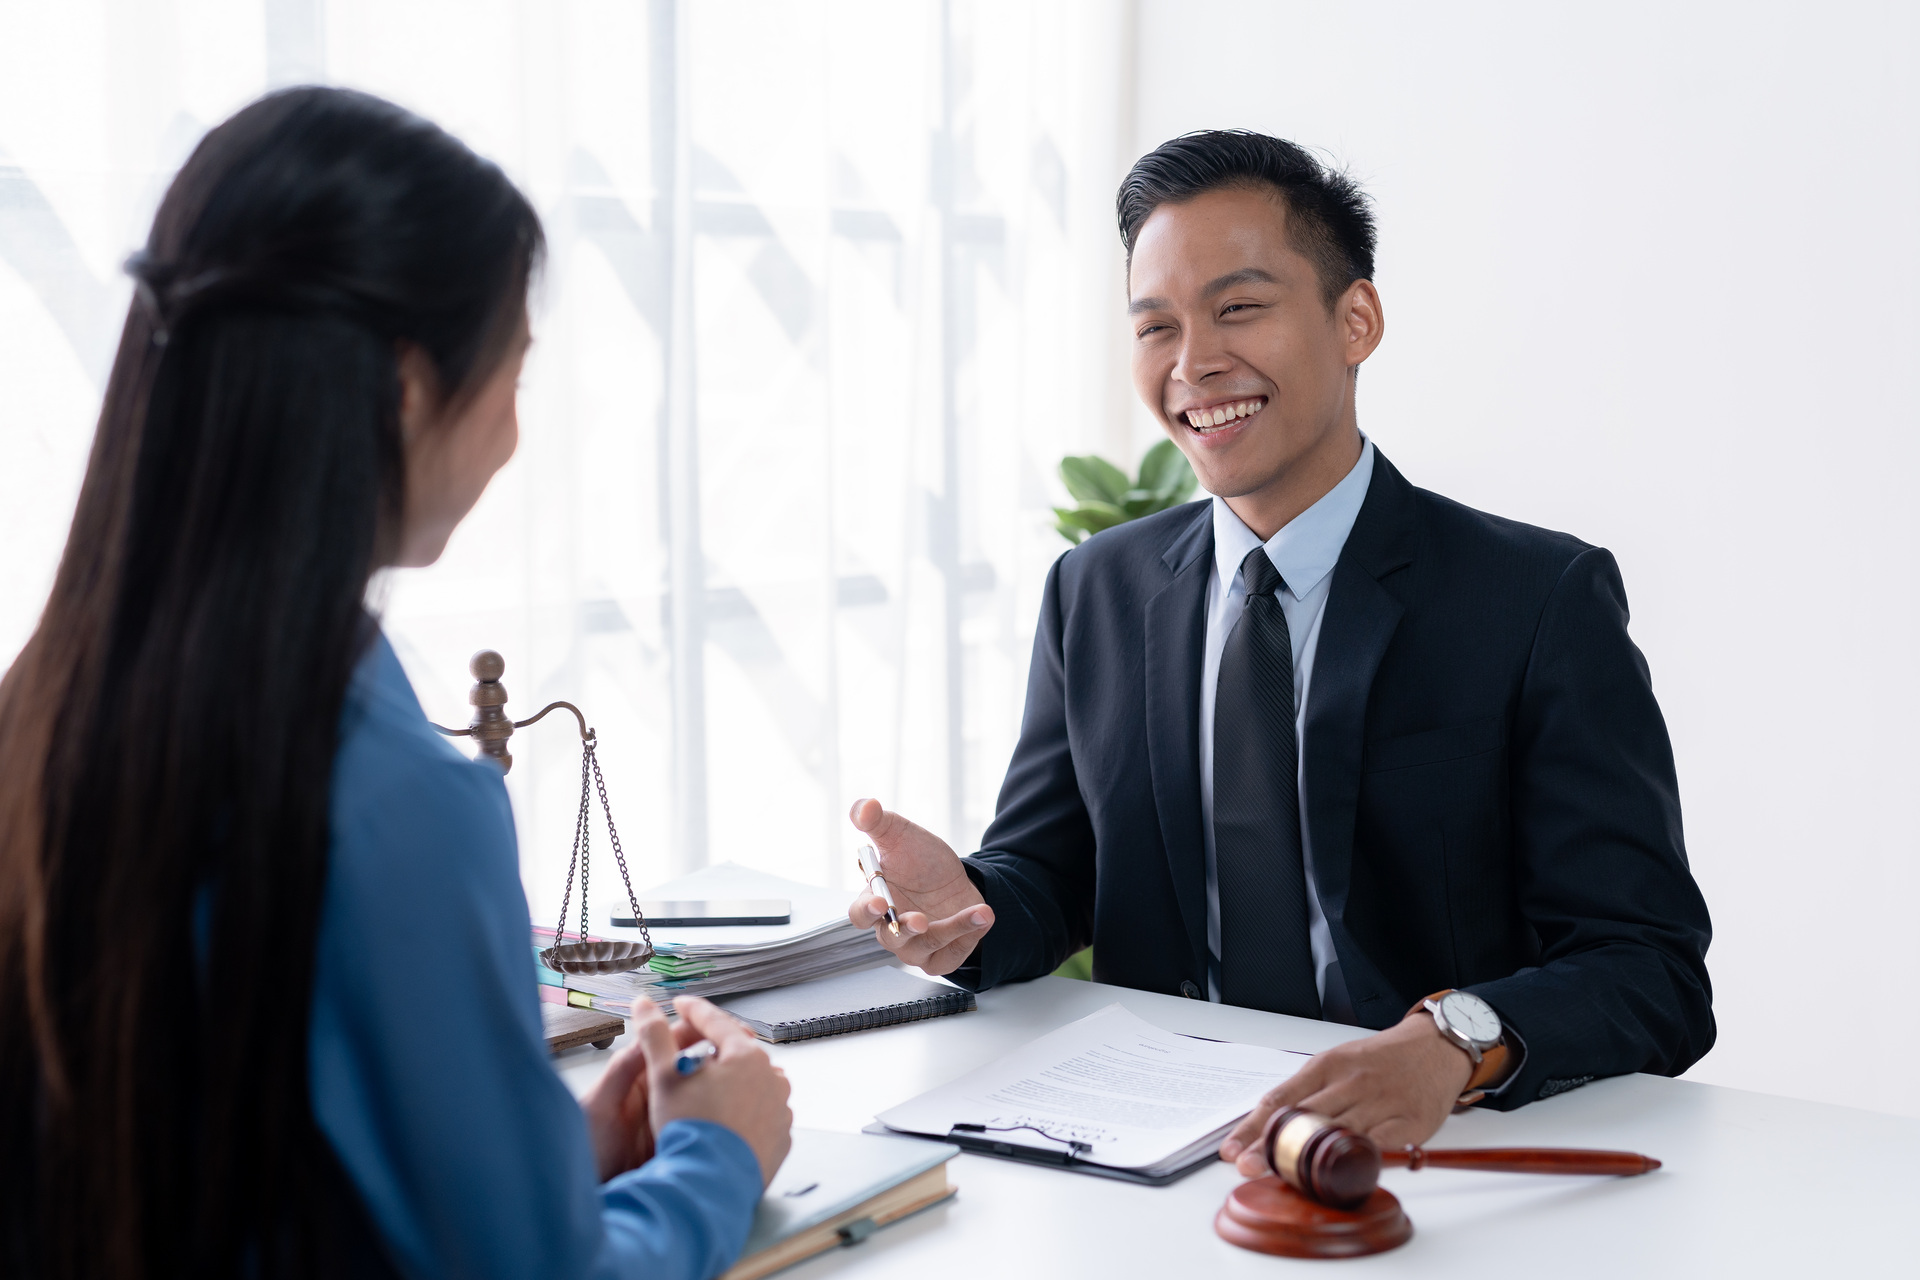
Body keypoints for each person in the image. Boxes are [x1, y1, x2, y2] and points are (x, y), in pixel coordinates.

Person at [0, 87, 789, 1279]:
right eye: (513, 373)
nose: (515, 433)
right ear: (410, 386)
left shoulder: (43, 719)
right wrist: (719, 1154)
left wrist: (546, 1156)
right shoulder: (394, 803)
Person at [848, 130, 1714, 1170]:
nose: (1193, 362)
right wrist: (968, 911)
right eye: (1155, 326)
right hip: (1155, 1141)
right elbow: (1051, 876)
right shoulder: (1098, 589)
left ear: (1357, 320)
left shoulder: (1535, 599)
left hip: (1433, 1155)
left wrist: (1452, 1043)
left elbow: (1649, 968)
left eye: (1239, 307)